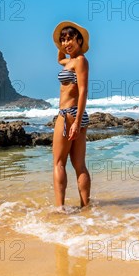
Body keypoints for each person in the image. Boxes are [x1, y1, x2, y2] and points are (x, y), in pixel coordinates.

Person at [52, 21, 92, 210]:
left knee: (59, 163)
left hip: (69, 114)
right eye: (63, 40)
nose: (66, 43)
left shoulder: (81, 61)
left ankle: (60, 208)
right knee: (79, 165)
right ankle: (85, 208)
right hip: (76, 116)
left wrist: (76, 122)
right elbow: (60, 57)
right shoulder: (70, 61)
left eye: (70, 39)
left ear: (79, 39)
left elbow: (83, 91)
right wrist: (62, 45)